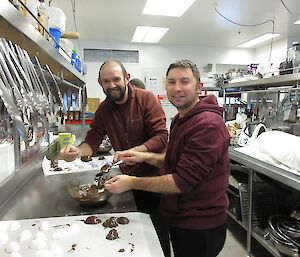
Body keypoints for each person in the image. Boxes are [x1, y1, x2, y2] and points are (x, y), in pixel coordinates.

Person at [105, 60, 231, 257]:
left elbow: (181, 181)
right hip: (181, 216)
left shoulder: (207, 125)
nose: (177, 88)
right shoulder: (181, 119)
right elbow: (174, 161)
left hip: (200, 225)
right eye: (171, 82)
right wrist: (142, 157)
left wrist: (132, 182)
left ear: (199, 87)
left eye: (184, 82)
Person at [60, 59, 170, 257]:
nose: (112, 85)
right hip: (127, 181)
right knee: (134, 238)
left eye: (116, 79)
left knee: (157, 238)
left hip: (155, 181)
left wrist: (138, 152)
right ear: (100, 83)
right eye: (106, 81)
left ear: (127, 78)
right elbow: (92, 142)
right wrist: (76, 152)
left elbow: (162, 137)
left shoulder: (147, 99)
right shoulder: (104, 109)